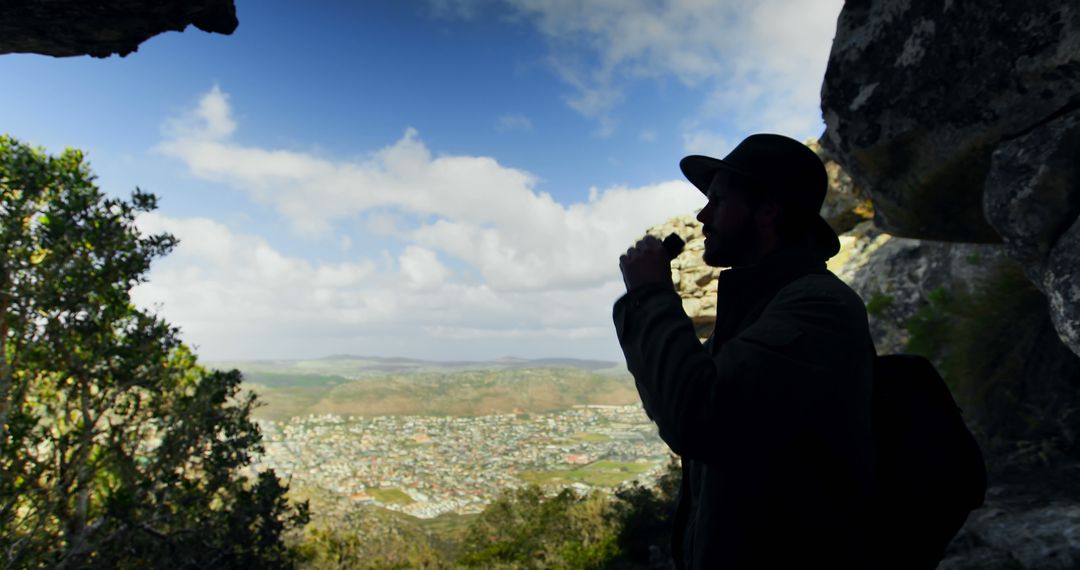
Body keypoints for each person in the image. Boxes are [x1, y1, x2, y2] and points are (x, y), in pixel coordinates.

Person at [613, 134, 876, 569]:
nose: (703, 215)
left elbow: (695, 419)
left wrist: (650, 295)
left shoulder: (817, 307)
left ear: (768, 210)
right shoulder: (762, 311)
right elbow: (674, 399)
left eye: (718, 199)